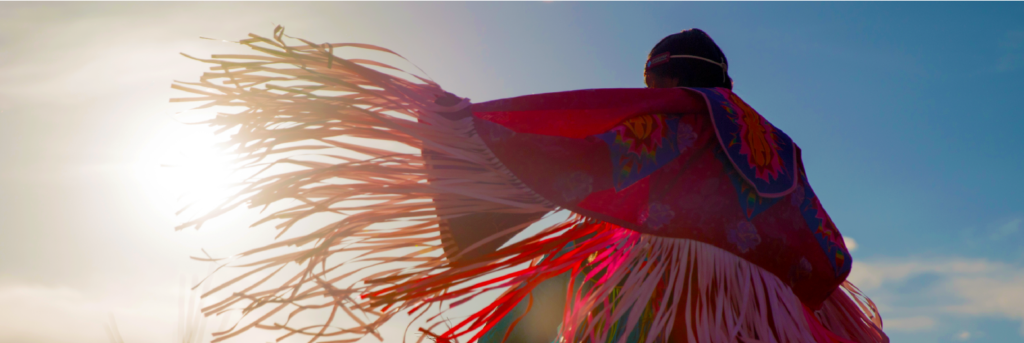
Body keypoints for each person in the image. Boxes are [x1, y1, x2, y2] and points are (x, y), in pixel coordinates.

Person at [175, 27, 887, 343]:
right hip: (760, 319)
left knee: (555, 299)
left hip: (661, 289)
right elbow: (825, 255)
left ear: (659, 80)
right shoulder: (781, 148)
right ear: (727, 80)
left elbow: (571, 152)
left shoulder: (673, 117)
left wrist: (449, 118)